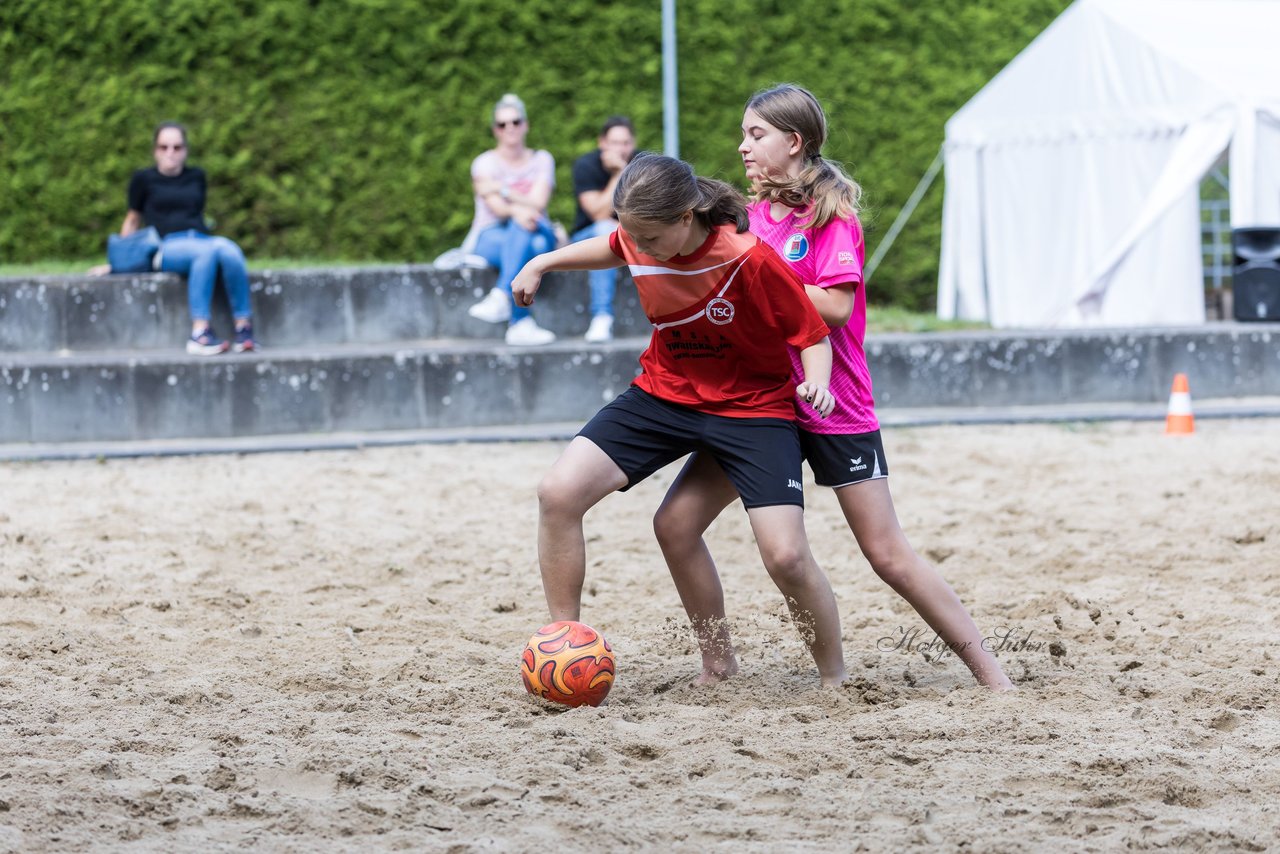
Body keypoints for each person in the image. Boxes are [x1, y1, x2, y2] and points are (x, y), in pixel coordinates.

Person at [652, 84, 1014, 690]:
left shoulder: (830, 216)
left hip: (835, 406)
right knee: (676, 525)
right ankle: (718, 666)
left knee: (886, 554)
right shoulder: (746, 217)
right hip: (759, 405)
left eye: (755, 134)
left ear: (794, 143)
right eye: (743, 134)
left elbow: (836, 307)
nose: (742, 146)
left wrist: (755, 291)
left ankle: (992, 674)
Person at [511, 153, 850, 687]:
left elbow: (812, 333)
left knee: (785, 555)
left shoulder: (747, 259)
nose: (638, 251)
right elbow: (610, 247)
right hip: (664, 397)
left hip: (751, 409)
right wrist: (541, 263)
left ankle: (834, 677)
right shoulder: (638, 237)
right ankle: (567, 646)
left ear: (686, 217)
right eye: (631, 237)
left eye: (648, 239)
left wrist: (818, 383)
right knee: (558, 493)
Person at [94, 122, 255, 355]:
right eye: (164, 147)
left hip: (200, 238)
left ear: (185, 150)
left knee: (230, 249)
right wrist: (118, 262)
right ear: (155, 151)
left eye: (177, 147)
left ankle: (244, 329)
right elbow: (132, 220)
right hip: (166, 245)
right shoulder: (143, 179)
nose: (171, 153)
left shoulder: (197, 176)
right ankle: (199, 333)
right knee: (206, 253)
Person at [464, 94, 559, 346]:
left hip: (537, 227)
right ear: (495, 130)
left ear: (525, 124)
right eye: (502, 124)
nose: (510, 128)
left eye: (515, 122)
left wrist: (501, 188)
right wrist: (519, 209)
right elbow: (497, 209)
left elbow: (538, 203)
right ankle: (520, 322)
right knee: (534, 246)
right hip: (491, 234)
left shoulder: (542, 159)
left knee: (532, 236)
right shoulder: (483, 162)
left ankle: (501, 295)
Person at [569, 116, 637, 342]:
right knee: (604, 229)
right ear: (602, 143)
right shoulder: (586, 165)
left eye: (626, 143)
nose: (621, 149)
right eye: (615, 143)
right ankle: (601, 316)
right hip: (587, 235)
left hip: (631, 233)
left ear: (633, 143)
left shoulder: (642, 164)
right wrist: (620, 174)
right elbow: (598, 214)